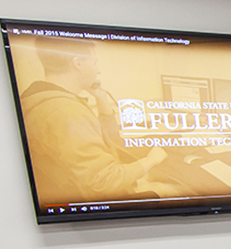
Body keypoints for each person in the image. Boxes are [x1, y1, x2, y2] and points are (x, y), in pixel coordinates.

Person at [20, 35, 167, 205]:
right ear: (78, 63)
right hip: (100, 198)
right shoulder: (66, 112)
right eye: (95, 63)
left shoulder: (38, 96)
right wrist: (151, 160)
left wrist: (101, 99)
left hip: (78, 186)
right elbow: (103, 183)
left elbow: (108, 141)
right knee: (178, 188)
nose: (98, 71)